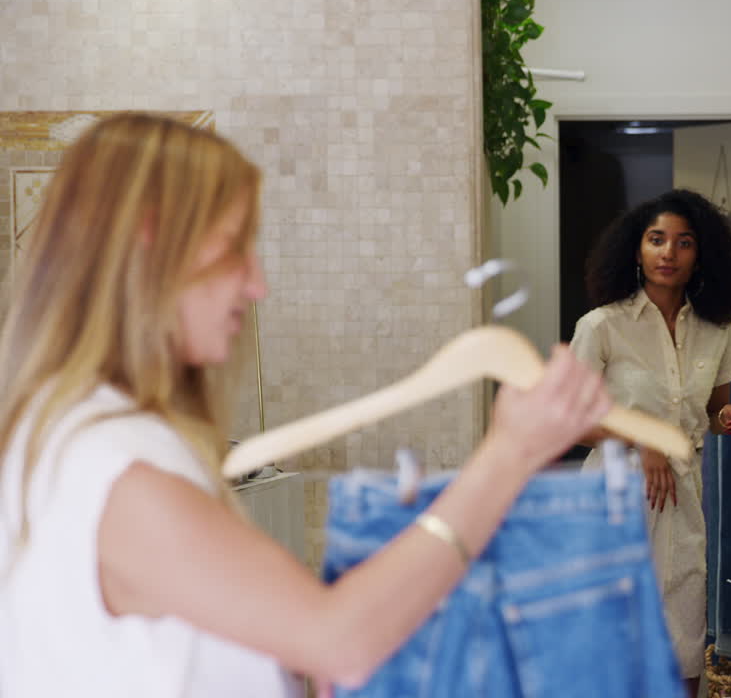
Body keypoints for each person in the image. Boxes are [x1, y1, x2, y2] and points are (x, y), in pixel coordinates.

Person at [0, 114, 613, 697]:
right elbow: (337, 640)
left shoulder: (70, 433)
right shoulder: (111, 467)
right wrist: (508, 457)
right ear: (152, 240)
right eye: (235, 246)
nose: (257, 283)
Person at [570, 188, 731, 696]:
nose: (668, 252)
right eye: (657, 240)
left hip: (683, 495)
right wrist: (642, 438)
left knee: (684, 634)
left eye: (683, 242)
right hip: (613, 496)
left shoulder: (720, 330)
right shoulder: (602, 327)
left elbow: (712, 412)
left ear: (701, 256)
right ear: (637, 250)